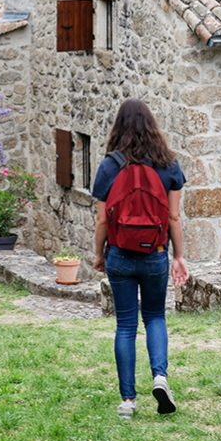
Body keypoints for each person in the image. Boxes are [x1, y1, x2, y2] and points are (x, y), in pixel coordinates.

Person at [91, 99, 189, 419]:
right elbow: (173, 217)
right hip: (155, 254)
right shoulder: (169, 164)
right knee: (156, 317)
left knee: (125, 326)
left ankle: (128, 402)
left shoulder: (109, 166)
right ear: (152, 125)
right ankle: (160, 377)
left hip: (119, 254)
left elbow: (102, 220)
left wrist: (97, 254)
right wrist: (179, 256)